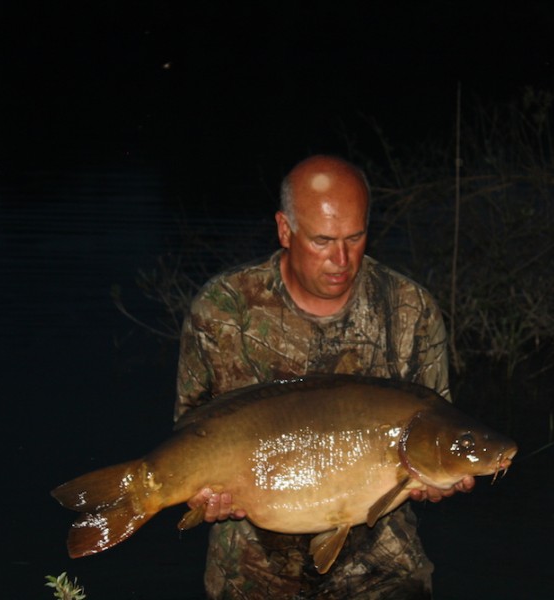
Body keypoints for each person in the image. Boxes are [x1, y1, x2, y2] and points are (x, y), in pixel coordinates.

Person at [175, 154, 474, 599]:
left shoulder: (411, 308)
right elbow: (192, 429)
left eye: (355, 238)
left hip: (380, 564)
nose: (341, 259)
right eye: (322, 240)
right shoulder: (224, 308)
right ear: (284, 229)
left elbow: (439, 425)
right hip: (251, 561)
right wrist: (202, 496)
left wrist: (437, 478)